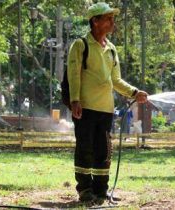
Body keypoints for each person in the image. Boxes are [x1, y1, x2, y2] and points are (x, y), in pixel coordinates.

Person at [67, 2, 148, 204]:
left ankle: (101, 191)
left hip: (106, 109)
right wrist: (75, 100)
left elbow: (116, 80)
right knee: (85, 148)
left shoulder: (111, 49)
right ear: (95, 21)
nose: (112, 22)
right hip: (85, 108)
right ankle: (85, 190)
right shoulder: (81, 45)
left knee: (103, 151)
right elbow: (73, 75)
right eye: (108, 18)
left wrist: (134, 92)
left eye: (113, 18)